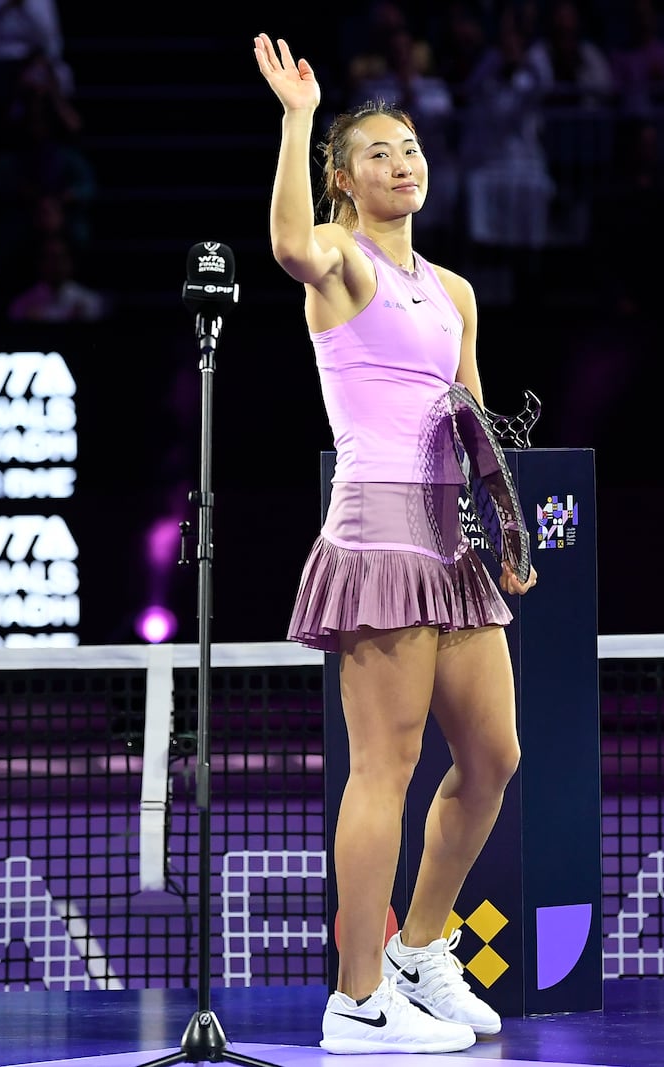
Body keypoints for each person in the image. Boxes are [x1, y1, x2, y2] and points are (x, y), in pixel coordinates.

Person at [253, 32, 536, 1056]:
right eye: (375, 151)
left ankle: (421, 947)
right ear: (342, 176)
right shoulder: (336, 264)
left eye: (408, 147)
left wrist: (501, 527)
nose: (399, 163)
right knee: (386, 765)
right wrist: (296, 116)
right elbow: (286, 241)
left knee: (494, 756)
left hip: (451, 547)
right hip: (376, 533)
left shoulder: (452, 291)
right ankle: (355, 996)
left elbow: (471, 414)